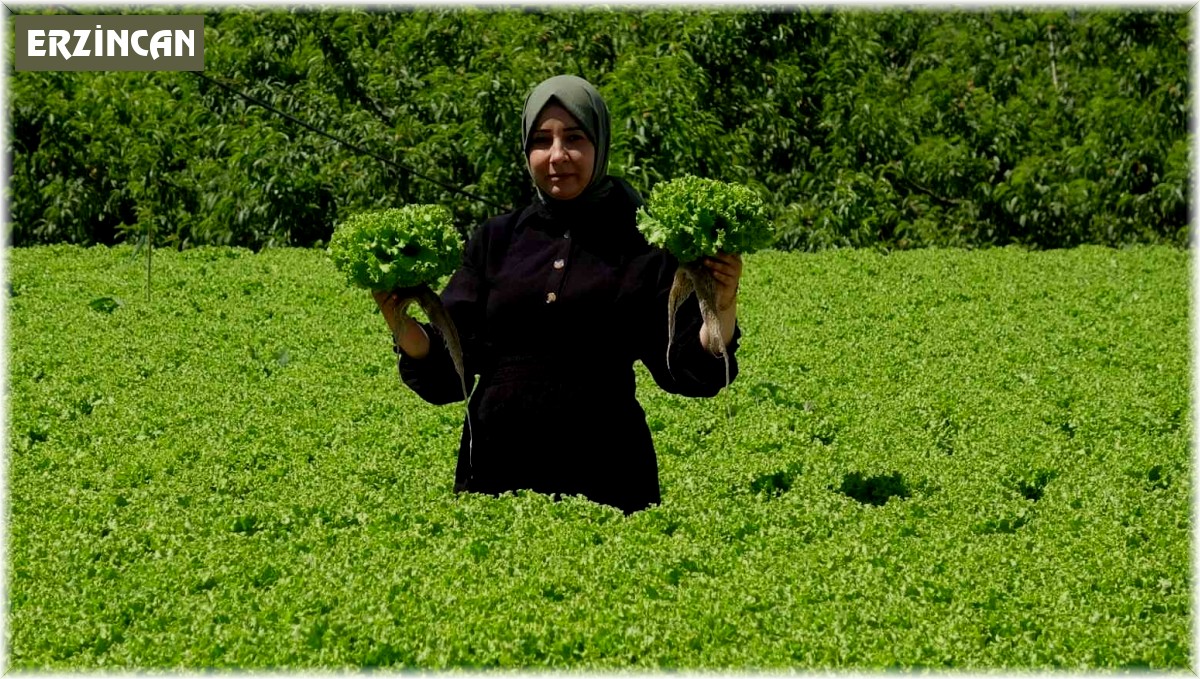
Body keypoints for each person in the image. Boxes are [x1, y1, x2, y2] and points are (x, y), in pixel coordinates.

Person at [372, 75, 743, 514]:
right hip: (496, 470)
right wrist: (401, 323)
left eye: (574, 138)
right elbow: (449, 369)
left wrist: (721, 304)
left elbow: (684, 368)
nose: (557, 156)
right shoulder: (495, 239)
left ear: (600, 143)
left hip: (608, 477)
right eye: (542, 140)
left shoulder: (643, 242)